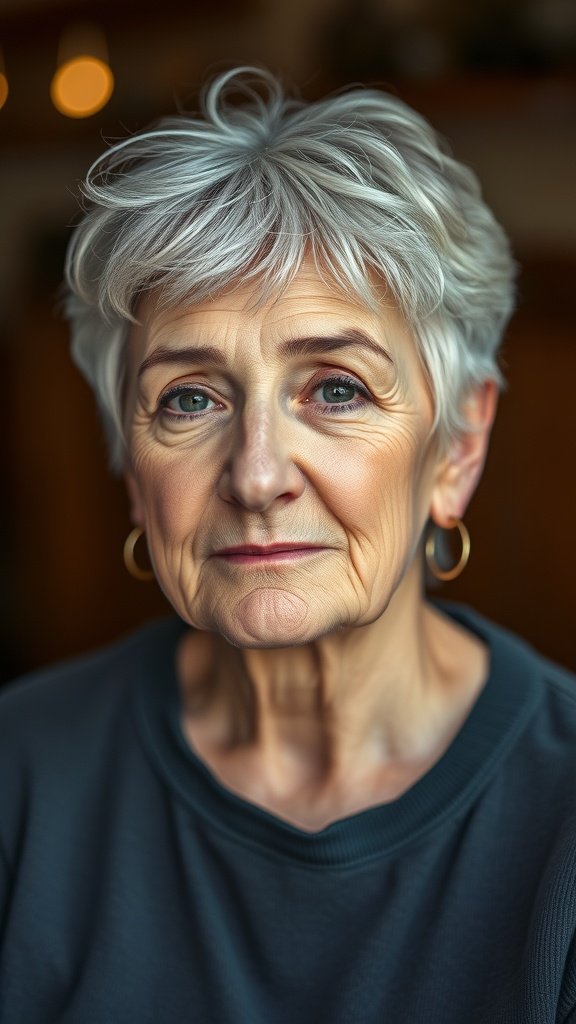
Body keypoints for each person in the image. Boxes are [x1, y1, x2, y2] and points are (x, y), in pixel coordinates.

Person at [1, 66, 575, 1024]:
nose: (256, 474)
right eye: (189, 398)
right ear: (134, 470)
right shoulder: (19, 775)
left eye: (336, 389)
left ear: (457, 448)